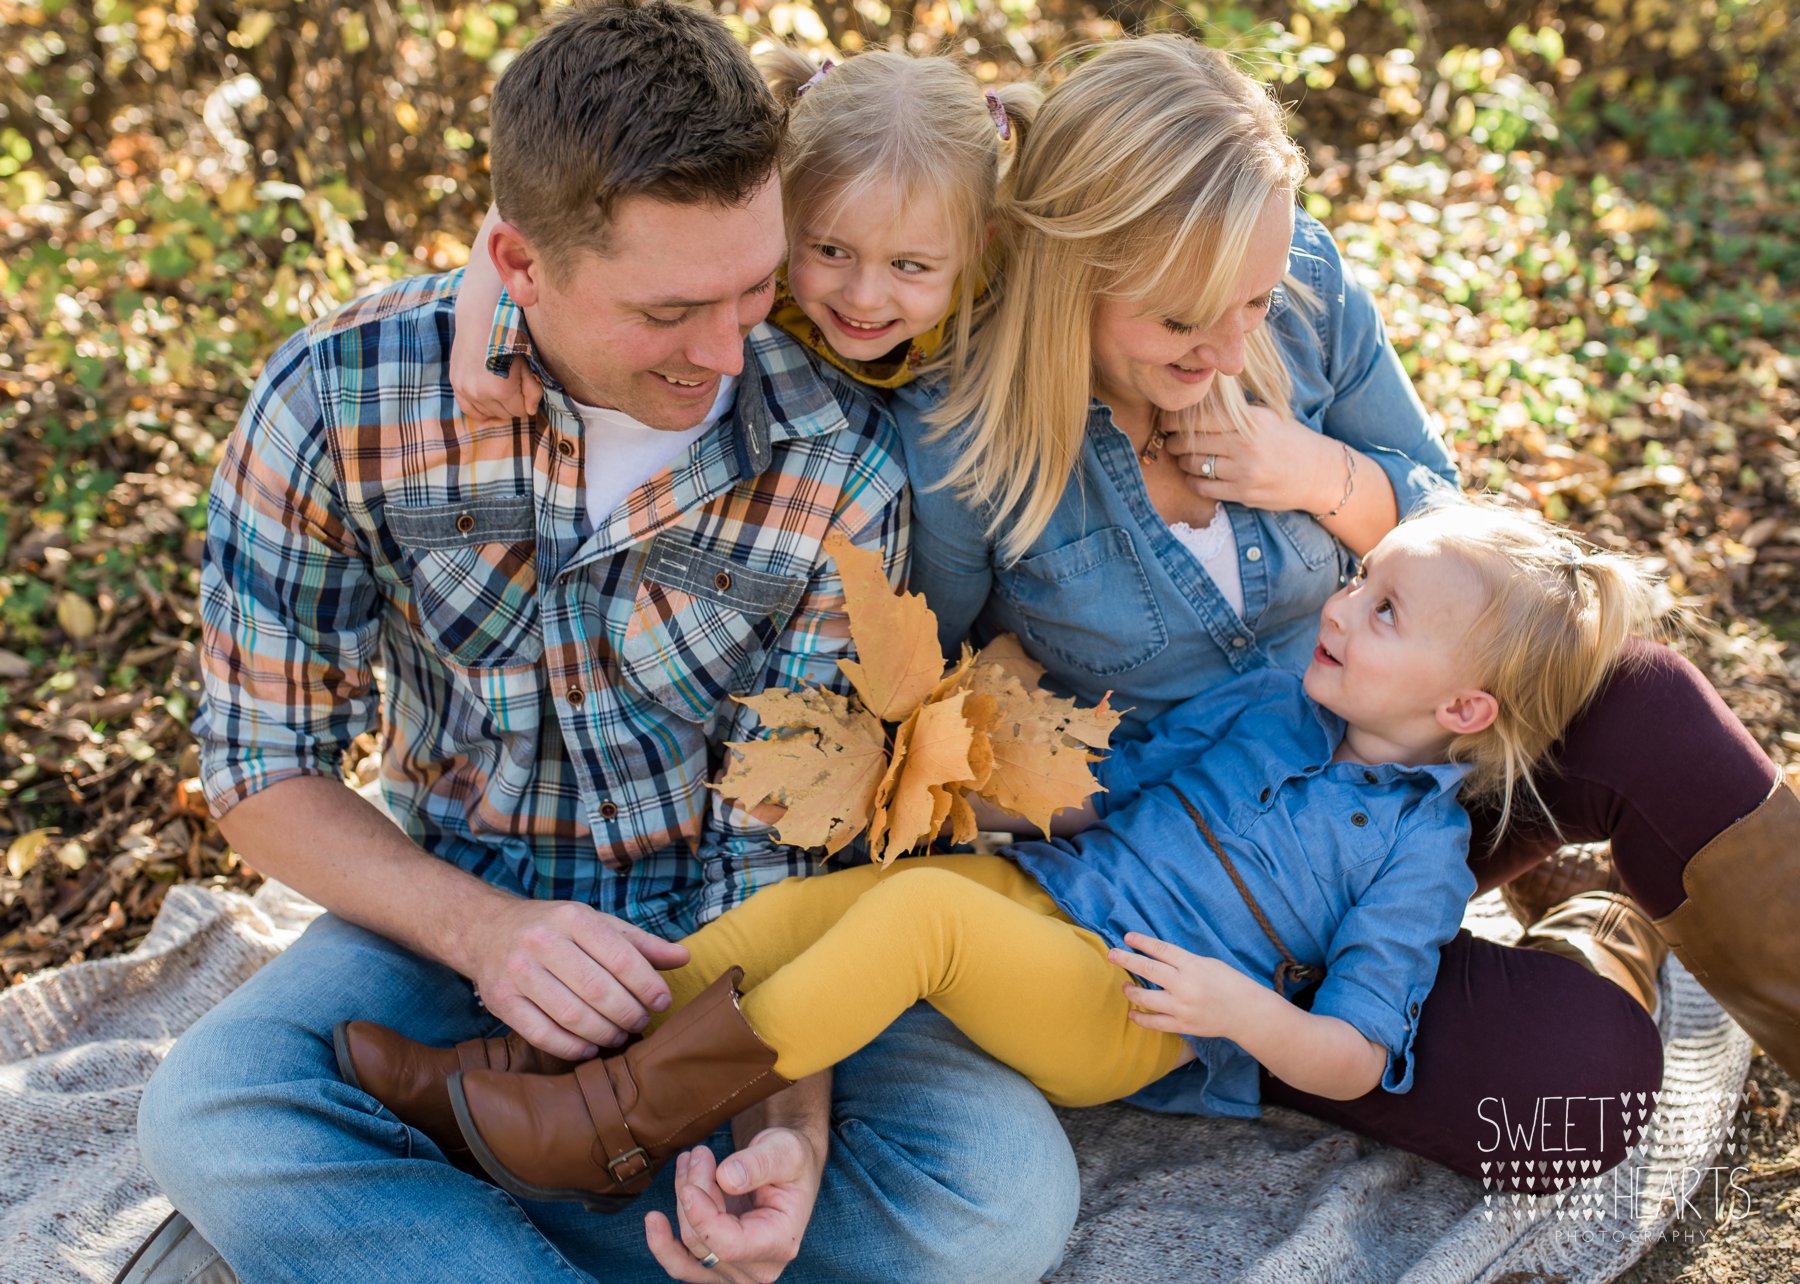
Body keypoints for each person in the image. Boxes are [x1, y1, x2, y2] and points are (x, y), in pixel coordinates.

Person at [130, 4, 1080, 1282]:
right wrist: (485, 937)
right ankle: (553, 1172)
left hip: (748, 942)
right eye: (671, 310)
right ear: (515, 263)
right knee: (211, 1115)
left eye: (755, 286)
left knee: (995, 1198)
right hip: (462, 907)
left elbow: (781, 844)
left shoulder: (836, 453)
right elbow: (261, 765)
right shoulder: (337, 404)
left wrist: (780, 1130)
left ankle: (481, 1181)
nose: (729, 350)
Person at [898, 32, 1797, 1190]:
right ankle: (1600, 928)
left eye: (1254, 300)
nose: (1232, 348)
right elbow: (933, 697)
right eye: (1182, 322)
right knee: (1577, 1099)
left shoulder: (1305, 292)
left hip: (1415, 763)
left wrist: (1325, 478)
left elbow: (1477, 553)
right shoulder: (964, 443)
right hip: (1230, 893)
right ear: (1073, 273)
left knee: (1642, 695)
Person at [338, 500, 1664, 1209]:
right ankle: (507, 1073)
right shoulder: (1276, 698)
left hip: (1131, 1005)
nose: (1343, 605)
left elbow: (1361, 1052)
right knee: (823, 908)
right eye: (1357, 577)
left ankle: (610, 1127)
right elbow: (1122, 782)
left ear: (1462, 712)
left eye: (1385, 610)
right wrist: (1014, 791)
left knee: (921, 926)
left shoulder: (1418, 853)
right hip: (1048, 894)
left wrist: (1244, 1011)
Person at [452, 46, 1039, 422]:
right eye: (830, 250)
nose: (863, 296)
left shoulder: (1000, 285)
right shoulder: (749, 254)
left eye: (909, 266)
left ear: (977, 244)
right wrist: (477, 321)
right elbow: (531, 197)